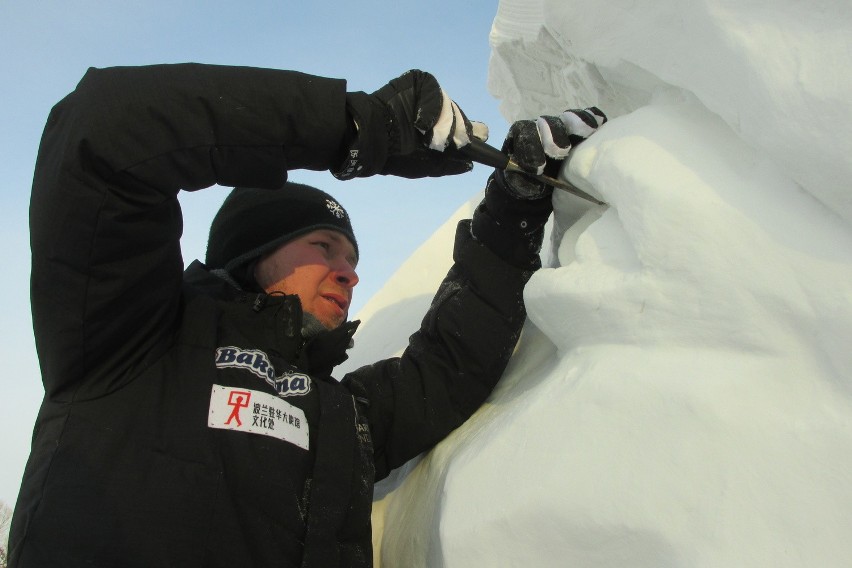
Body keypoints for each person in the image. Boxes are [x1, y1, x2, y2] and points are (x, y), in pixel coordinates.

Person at [9, 63, 606, 567]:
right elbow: (104, 133)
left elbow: (447, 369)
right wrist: (359, 128)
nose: (349, 273)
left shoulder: (342, 418)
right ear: (251, 254)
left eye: (353, 258)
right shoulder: (129, 338)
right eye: (323, 248)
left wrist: (513, 210)